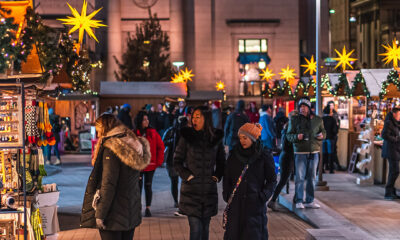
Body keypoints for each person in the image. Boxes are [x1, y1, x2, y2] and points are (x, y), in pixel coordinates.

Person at [80, 114, 151, 240]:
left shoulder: (112, 148)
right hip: (130, 210)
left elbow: (109, 183)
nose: (97, 133)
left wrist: (100, 214)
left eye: (98, 129)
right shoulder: (132, 143)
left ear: (104, 128)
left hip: (113, 214)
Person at [174, 106, 225, 240]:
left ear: (206, 118)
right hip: (191, 191)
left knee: (205, 229)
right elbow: (177, 161)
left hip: (208, 191)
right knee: (196, 229)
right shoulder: (187, 136)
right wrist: (187, 176)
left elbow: (221, 161)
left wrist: (216, 176)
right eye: (193, 116)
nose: (194, 119)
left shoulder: (215, 137)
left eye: (198, 116)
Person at [223, 123, 276, 240]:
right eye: (240, 138)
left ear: (253, 138)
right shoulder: (234, 155)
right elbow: (227, 177)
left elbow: (272, 180)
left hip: (255, 207)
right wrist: (226, 194)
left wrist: (263, 196)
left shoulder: (263, 156)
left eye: (245, 138)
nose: (242, 141)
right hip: (235, 206)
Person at [286, 97, 326, 209]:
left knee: (312, 177)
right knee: (299, 177)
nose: (302, 109)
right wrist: (297, 137)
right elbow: (288, 136)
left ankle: (310, 200)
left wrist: (322, 136)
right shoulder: (294, 120)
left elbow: (323, 131)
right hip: (300, 152)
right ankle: (299, 200)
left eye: (304, 107)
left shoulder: (318, 120)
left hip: (314, 152)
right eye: (300, 107)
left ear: (309, 108)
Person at [135, 111, 165, 217]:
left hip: (150, 165)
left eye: (147, 119)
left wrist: (158, 161)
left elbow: (161, 147)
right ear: (139, 121)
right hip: (138, 166)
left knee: (148, 186)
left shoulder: (153, 132)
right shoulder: (135, 133)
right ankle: (137, 208)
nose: (146, 121)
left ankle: (148, 208)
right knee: (137, 187)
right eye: (144, 119)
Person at [268, 111, 297, 211]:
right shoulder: (288, 129)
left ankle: (274, 200)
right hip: (287, 157)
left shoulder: (289, 128)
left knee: (285, 180)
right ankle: (272, 201)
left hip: (287, 156)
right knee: (283, 180)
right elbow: (285, 145)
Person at [163, 115, 189, 208]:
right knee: (175, 182)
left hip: (184, 161)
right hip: (173, 160)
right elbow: (164, 141)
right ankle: (176, 201)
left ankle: (181, 201)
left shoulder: (188, 133)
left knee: (184, 182)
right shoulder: (172, 131)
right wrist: (173, 140)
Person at [381, 107, 400, 200]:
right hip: (391, 149)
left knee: (393, 171)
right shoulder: (389, 122)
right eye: (399, 114)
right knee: (395, 171)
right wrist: (396, 139)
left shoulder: (396, 123)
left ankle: (391, 191)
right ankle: (388, 192)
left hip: (395, 150)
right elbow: (384, 134)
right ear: (394, 114)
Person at [322, 104, 339, 174]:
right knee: (331, 154)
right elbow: (335, 130)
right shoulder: (332, 119)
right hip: (330, 138)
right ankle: (331, 169)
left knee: (323, 154)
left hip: (323, 138)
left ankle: (322, 168)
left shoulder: (322, 119)